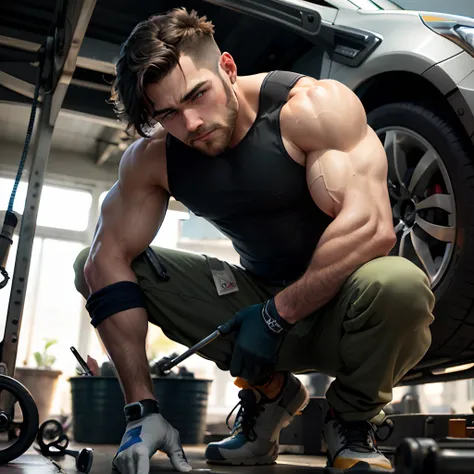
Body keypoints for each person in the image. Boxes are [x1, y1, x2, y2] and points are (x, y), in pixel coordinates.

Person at [73, 7, 435, 474]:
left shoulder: (311, 108)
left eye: (197, 95)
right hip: (254, 303)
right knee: (96, 261)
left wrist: (277, 315)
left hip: (344, 305)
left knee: (401, 284)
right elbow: (105, 262)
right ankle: (271, 398)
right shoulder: (155, 157)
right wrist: (140, 408)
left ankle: (350, 421)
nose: (191, 123)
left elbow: (371, 228)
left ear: (226, 67)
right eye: (168, 114)